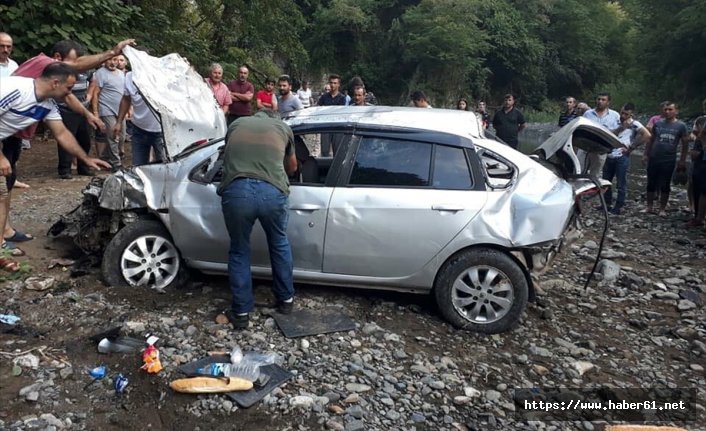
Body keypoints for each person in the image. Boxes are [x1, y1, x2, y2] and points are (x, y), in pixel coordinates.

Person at [0, 63, 111, 261]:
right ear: (55, 83)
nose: (70, 93)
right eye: (68, 88)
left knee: (1, 194)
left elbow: (61, 133)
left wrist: (85, 158)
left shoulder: (47, 105)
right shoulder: (15, 90)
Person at [218, 109, 298, 329]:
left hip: (237, 191)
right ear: (275, 119)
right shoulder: (283, 128)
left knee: (239, 249)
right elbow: (292, 168)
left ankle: (242, 313)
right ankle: (285, 301)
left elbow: (227, 156)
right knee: (279, 242)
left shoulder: (236, 124)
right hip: (272, 192)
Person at [113, 53, 165, 166]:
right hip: (139, 129)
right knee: (139, 167)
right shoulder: (129, 77)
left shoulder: (160, 76)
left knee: (166, 165)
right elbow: (126, 99)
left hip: (161, 130)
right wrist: (118, 121)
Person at [601, 103, 651, 215]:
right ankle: (606, 204)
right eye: (622, 112)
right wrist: (620, 128)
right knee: (606, 180)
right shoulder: (615, 121)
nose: (623, 115)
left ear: (631, 114)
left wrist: (632, 147)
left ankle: (619, 206)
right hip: (610, 154)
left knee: (621, 182)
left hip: (622, 156)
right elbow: (608, 133)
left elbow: (647, 135)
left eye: (626, 114)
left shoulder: (634, 124)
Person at [642, 101, 690, 216]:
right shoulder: (658, 124)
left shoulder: (681, 126)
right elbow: (651, 139)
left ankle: (662, 208)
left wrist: (682, 160)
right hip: (654, 157)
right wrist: (645, 154)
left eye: (670, 110)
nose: (667, 112)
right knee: (651, 182)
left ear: (676, 111)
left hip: (669, 159)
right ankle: (649, 206)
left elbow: (685, 144)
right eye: (665, 109)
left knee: (665, 184)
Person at [92, 57, 126, 171]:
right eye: (110, 60)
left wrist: (129, 109)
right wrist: (96, 113)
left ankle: (106, 158)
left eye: (115, 60)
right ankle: (116, 164)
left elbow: (125, 94)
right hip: (106, 109)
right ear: (105, 61)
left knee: (122, 137)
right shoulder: (100, 73)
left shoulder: (121, 74)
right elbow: (95, 94)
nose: (113, 62)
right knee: (113, 136)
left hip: (120, 110)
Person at [581, 93, 620, 178]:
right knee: (580, 171)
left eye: (603, 100)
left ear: (608, 102)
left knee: (596, 174)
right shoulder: (588, 114)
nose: (600, 101)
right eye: (598, 99)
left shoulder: (615, 115)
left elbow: (617, 133)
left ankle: (594, 190)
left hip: (602, 149)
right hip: (586, 148)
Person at [686, 116, 706, 227]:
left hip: (702, 164)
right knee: (699, 189)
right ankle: (699, 217)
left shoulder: (700, 137)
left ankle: (699, 218)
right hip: (701, 164)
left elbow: (694, 155)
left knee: (701, 191)